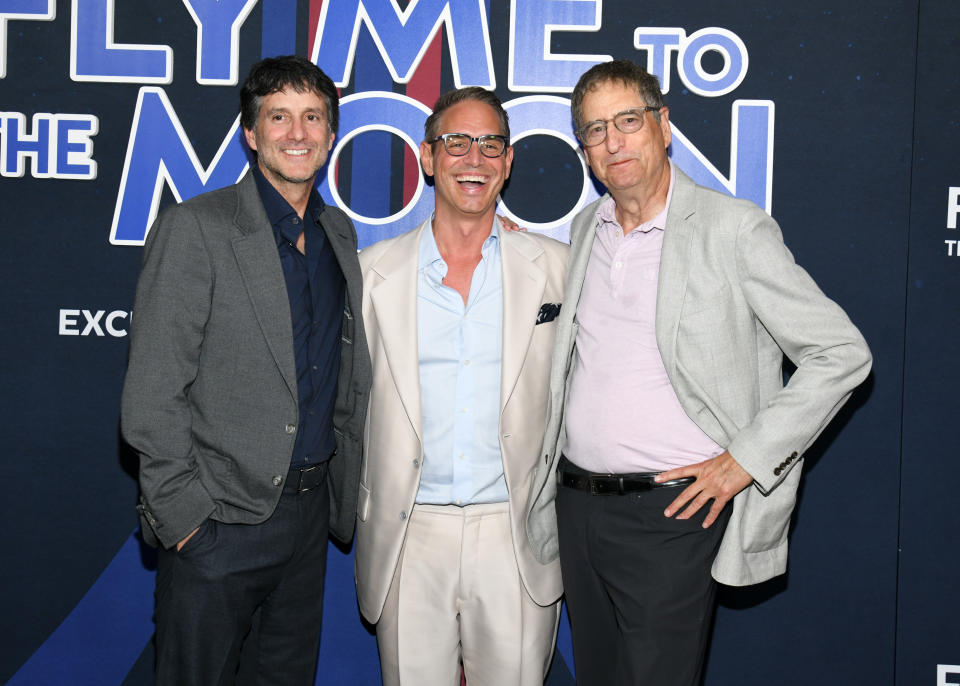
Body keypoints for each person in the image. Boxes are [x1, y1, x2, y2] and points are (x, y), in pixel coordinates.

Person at [526, 60, 872, 686]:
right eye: (595, 131)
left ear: (663, 126)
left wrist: (744, 461)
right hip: (577, 509)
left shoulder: (732, 228)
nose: (613, 142)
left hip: (673, 514)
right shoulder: (586, 229)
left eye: (627, 121)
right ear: (584, 152)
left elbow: (841, 353)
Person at [120, 55, 370, 686]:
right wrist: (186, 524)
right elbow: (152, 393)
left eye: (313, 117)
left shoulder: (338, 233)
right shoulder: (196, 228)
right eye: (278, 116)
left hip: (308, 522)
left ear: (331, 133)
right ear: (251, 133)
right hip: (218, 524)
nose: (297, 133)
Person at [354, 87, 568, 686]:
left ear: (508, 160)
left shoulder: (559, 267)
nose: (474, 158)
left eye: (490, 144)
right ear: (427, 157)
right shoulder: (373, 274)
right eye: (456, 142)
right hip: (407, 532)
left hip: (515, 532)